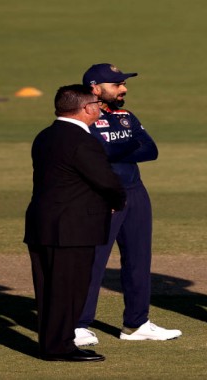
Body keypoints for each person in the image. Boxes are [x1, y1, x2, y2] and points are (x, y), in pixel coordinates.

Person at [73, 63, 182, 346]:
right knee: (93, 260)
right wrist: (127, 147)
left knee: (138, 259)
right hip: (100, 195)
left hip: (135, 193)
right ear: (95, 88)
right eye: (117, 84)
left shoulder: (124, 115)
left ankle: (136, 323)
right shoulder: (83, 117)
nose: (124, 89)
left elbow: (151, 150)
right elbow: (98, 154)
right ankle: (79, 323)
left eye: (123, 83)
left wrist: (113, 152)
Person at [24, 84, 126, 361]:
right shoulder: (82, 141)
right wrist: (118, 201)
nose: (99, 107)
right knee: (69, 289)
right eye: (96, 103)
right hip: (72, 228)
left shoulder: (45, 135)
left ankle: (52, 343)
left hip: (43, 223)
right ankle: (59, 347)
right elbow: (106, 181)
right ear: (86, 108)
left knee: (49, 290)